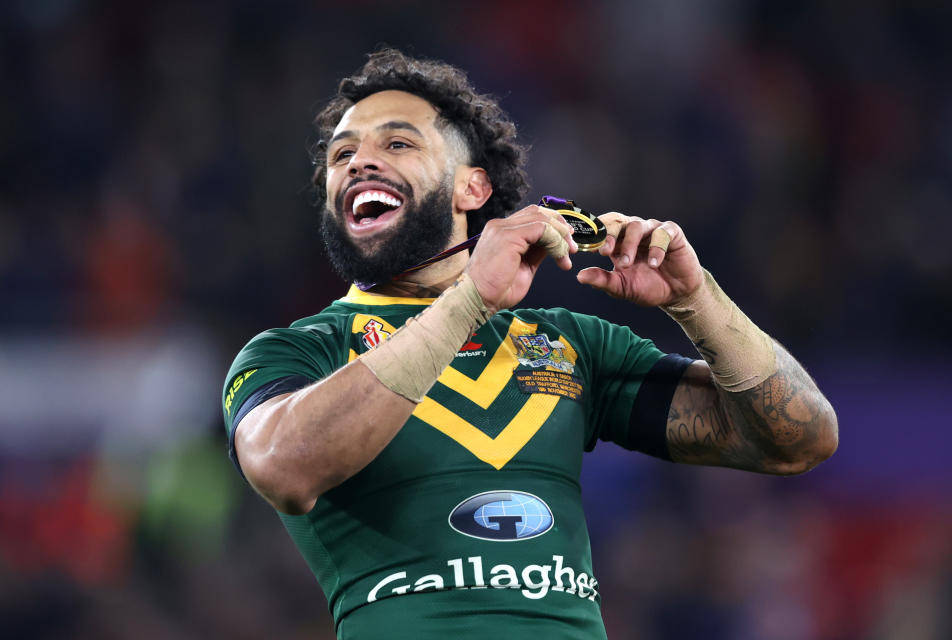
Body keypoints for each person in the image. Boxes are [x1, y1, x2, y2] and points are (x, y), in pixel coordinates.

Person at [222, 49, 838, 639]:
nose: (357, 163)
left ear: (473, 189)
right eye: (341, 155)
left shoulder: (573, 346)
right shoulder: (297, 352)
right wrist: (470, 300)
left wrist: (697, 299)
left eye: (397, 143)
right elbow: (284, 467)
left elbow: (800, 439)